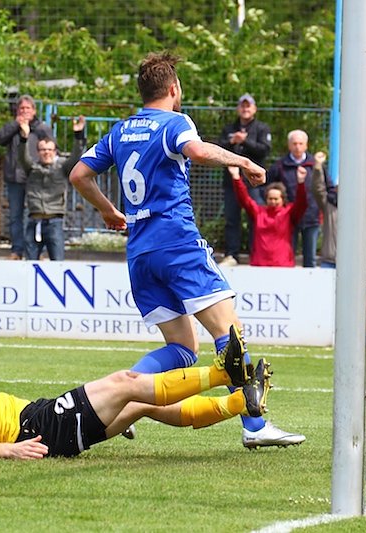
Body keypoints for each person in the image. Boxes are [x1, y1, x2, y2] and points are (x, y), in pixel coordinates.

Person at [69, 51, 305, 449]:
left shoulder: (120, 131)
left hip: (140, 252)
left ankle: (122, 395)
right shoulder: (175, 122)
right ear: (174, 89)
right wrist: (244, 161)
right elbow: (196, 151)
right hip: (177, 243)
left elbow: (79, 173)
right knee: (231, 336)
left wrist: (110, 211)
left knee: (181, 350)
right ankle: (254, 426)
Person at [0, 312, 268, 458]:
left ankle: (238, 403)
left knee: (139, 404)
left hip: (40, 421)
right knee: (127, 383)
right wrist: (10, 452)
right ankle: (223, 373)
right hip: (39, 428)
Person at [0, 95, 53, 260]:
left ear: (34, 111)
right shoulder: (12, 127)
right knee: (15, 217)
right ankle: (17, 250)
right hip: (14, 179)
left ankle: (37, 252)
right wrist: (16, 125)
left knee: (36, 215)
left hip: (35, 178)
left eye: (28, 108)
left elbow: (52, 147)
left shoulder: (42, 128)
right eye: (21, 109)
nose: (25, 111)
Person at [18, 116, 86, 261]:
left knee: (58, 263)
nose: (46, 152)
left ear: (55, 152)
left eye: (49, 149)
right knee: (30, 264)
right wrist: (24, 138)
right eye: (42, 150)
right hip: (34, 221)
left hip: (54, 222)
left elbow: (75, 158)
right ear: (38, 152)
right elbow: (22, 157)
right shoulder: (32, 168)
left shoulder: (62, 167)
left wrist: (78, 135)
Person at [218, 93, 272, 267]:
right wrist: (232, 141)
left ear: (254, 109)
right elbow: (218, 150)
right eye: (242, 106)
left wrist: (246, 141)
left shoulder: (262, 128)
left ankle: (255, 253)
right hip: (231, 183)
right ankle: (231, 255)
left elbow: (264, 150)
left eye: (248, 106)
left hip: (253, 184)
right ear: (238, 108)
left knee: (255, 218)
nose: (245, 109)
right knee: (232, 219)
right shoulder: (228, 128)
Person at [229, 164, 307, 267]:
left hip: (282, 265)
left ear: (282, 199)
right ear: (266, 199)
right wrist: (236, 178)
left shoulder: (289, 213)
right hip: (259, 264)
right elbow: (245, 200)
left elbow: (302, 203)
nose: (273, 201)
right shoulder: (258, 212)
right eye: (270, 199)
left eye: (276, 199)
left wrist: (301, 183)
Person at [266, 130, 322, 268]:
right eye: (294, 143)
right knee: (287, 256)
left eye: (300, 143)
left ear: (306, 145)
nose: (297, 146)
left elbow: (326, 186)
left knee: (310, 259)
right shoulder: (279, 166)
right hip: (288, 219)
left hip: (311, 216)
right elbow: (267, 186)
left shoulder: (315, 165)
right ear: (289, 145)